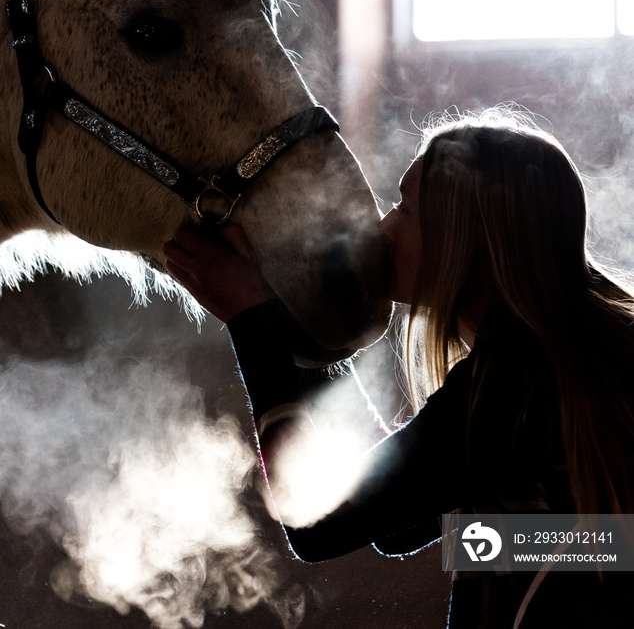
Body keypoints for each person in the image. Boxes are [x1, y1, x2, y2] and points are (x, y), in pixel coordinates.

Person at [164, 109, 634, 628]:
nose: (385, 228)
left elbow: (314, 522)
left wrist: (255, 325)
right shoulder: (569, 355)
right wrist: (312, 323)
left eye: (406, 210)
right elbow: (396, 524)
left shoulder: (517, 377)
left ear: (467, 238)